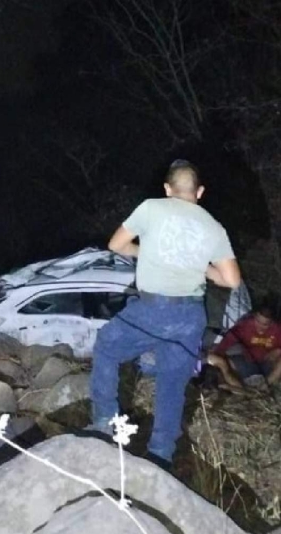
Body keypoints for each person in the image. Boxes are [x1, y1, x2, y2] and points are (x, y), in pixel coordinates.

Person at [89, 160, 241, 468]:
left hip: (152, 309)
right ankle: (160, 455)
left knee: (106, 346)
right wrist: (200, 267)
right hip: (189, 315)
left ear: (168, 189)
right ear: (199, 191)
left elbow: (116, 245)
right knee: (172, 381)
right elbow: (231, 280)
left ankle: (106, 423)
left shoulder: (150, 208)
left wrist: (150, 252)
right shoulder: (213, 226)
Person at [207, 305, 281, 391]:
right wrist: (216, 353)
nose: (260, 327)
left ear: (272, 322)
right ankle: (243, 390)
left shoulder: (277, 329)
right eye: (257, 322)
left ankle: (265, 386)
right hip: (247, 362)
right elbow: (228, 340)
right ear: (254, 317)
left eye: (265, 325)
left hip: (268, 364)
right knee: (223, 362)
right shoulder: (245, 325)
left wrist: (279, 350)